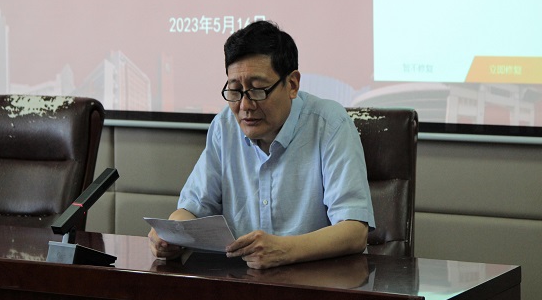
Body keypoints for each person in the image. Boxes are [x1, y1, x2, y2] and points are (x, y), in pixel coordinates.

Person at [148, 20, 375, 269]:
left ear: (292, 85)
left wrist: (285, 250)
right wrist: (170, 234)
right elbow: (192, 209)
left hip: (315, 279)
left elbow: (354, 231)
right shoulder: (224, 126)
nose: (245, 106)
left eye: (257, 90)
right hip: (241, 280)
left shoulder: (329, 124)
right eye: (235, 90)